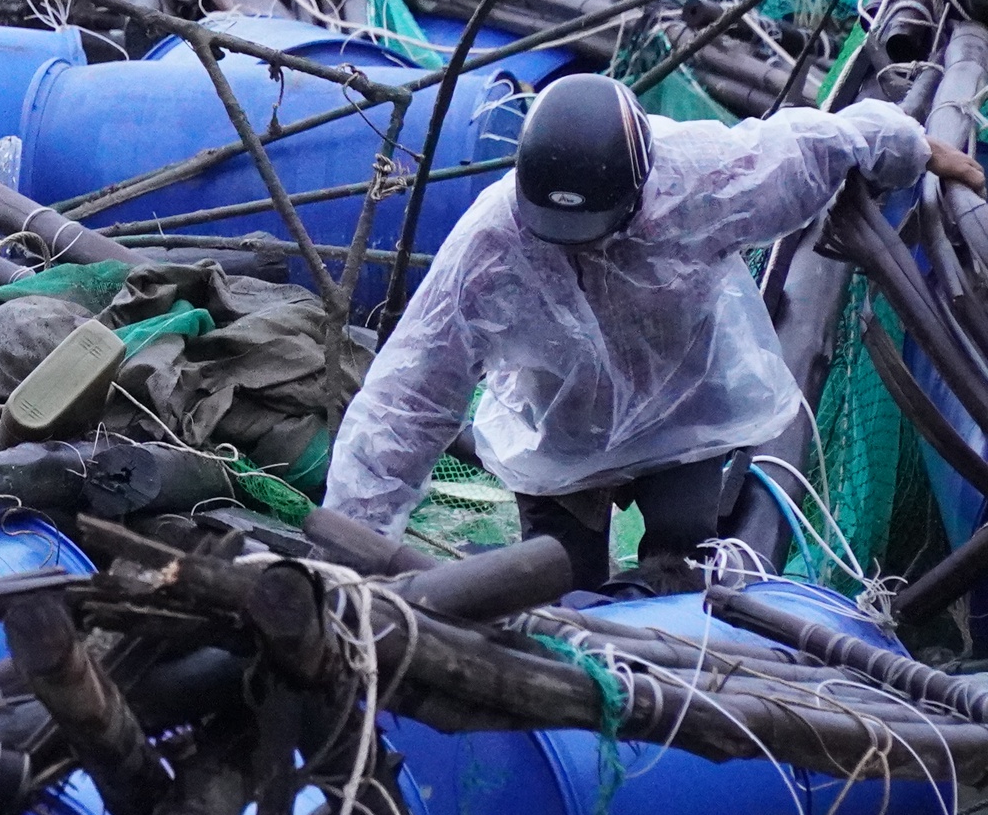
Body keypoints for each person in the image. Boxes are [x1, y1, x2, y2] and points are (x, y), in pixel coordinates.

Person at [324, 74, 987, 592]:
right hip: (563, 432)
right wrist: (349, 550)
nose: (578, 254)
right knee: (555, 585)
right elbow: (406, 400)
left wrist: (919, 149)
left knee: (684, 562)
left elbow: (823, 143)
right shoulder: (491, 246)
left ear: (641, 187)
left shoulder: (702, 177)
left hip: (684, 412)